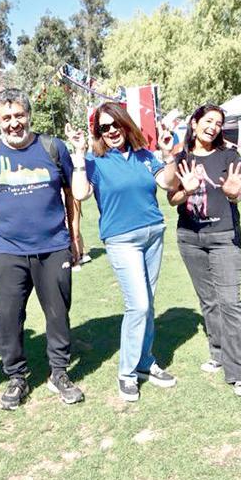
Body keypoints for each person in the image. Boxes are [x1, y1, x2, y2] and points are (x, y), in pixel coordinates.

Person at [0, 88, 84, 410]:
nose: (14, 123)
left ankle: (59, 373)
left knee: (58, 313)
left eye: (19, 115)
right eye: (6, 117)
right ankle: (16, 377)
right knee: (7, 318)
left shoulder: (53, 148)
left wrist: (75, 236)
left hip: (54, 247)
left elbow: (70, 194)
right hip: (7, 251)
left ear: (29, 115)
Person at [66, 103, 179, 402]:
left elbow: (167, 182)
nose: (112, 131)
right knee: (138, 305)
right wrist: (78, 154)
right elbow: (80, 193)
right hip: (121, 240)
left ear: (125, 124)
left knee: (148, 304)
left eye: (115, 124)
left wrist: (168, 155)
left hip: (153, 234)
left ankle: (145, 361)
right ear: (98, 133)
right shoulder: (94, 161)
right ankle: (127, 373)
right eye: (104, 128)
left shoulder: (144, 156)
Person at [166, 104, 241, 397]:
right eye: (208, 121)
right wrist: (187, 191)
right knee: (208, 301)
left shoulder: (229, 155)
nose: (213, 127)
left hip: (223, 236)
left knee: (229, 302)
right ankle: (218, 352)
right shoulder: (181, 158)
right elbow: (172, 199)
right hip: (190, 238)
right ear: (194, 123)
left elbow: (237, 193)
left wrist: (233, 193)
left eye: (218, 123)